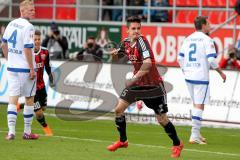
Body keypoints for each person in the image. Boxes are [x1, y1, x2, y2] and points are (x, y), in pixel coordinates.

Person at [107, 16, 183, 158]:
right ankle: (123, 141)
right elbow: (121, 53)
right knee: (118, 109)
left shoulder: (143, 42)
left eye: (138, 28)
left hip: (153, 86)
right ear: (127, 30)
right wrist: (114, 54)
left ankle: (177, 143)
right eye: (133, 29)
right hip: (137, 85)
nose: (136, 31)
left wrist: (134, 78)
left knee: (162, 120)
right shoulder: (126, 43)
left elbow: (147, 64)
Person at [177, 16, 226, 144]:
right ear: (203, 25)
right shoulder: (207, 40)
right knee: (199, 105)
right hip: (200, 77)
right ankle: (194, 134)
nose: (210, 25)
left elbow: (180, 58)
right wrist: (221, 73)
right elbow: (211, 60)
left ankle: (197, 133)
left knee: (196, 104)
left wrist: (185, 70)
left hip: (189, 76)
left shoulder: (187, 39)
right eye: (209, 23)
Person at [1, 0, 39, 140]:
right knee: (29, 99)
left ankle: (11, 132)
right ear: (22, 11)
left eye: (34, 9)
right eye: (30, 10)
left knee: (13, 99)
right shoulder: (29, 27)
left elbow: (3, 45)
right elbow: (28, 48)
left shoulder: (11, 23)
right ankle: (27, 132)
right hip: (24, 69)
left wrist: (8, 60)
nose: (33, 12)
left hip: (12, 67)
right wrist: (31, 68)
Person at [33, 30, 54, 136]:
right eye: (35, 39)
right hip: (32, 89)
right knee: (39, 113)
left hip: (41, 86)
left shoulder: (45, 52)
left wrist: (51, 78)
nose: (37, 41)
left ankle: (21, 105)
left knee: (44, 108)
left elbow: (48, 67)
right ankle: (47, 129)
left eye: (38, 39)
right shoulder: (27, 53)